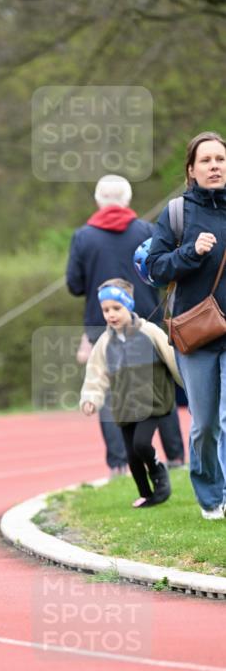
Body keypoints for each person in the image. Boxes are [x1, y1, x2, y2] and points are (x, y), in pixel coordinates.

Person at [67, 175, 185, 475]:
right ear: (128, 199)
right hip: (146, 319)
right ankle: (175, 457)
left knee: (108, 389)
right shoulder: (147, 231)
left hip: (101, 323)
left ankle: (119, 464)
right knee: (161, 385)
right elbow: (162, 273)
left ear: (98, 201)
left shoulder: (83, 237)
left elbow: (74, 285)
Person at [148, 131, 226, 520]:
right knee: (205, 425)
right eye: (206, 160)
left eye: (221, 159)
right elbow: (154, 268)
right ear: (191, 170)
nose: (215, 166)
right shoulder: (177, 213)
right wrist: (190, 252)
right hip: (197, 335)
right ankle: (210, 496)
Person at [80, 280, 183, 508]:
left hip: (153, 402)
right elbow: (96, 374)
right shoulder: (105, 342)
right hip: (125, 406)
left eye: (116, 308)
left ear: (129, 305)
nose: (111, 314)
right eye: (106, 310)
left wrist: (190, 387)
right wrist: (90, 398)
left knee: (141, 444)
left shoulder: (150, 332)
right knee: (132, 456)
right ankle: (146, 495)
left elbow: (173, 359)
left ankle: (159, 474)